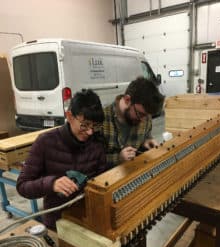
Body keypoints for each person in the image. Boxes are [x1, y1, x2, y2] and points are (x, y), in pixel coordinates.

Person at [17, 89, 107, 230]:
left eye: (94, 126)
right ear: (70, 116)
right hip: (57, 222)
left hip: (87, 219)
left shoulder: (97, 143)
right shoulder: (46, 142)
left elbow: (102, 181)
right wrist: (51, 184)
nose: (90, 132)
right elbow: (22, 186)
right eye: (85, 125)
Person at [103, 76, 165, 168]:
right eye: (140, 114)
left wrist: (147, 142)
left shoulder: (145, 116)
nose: (143, 120)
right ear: (127, 100)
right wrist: (118, 158)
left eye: (147, 116)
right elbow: (92, 160)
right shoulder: (102, 119)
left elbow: (146, 137)